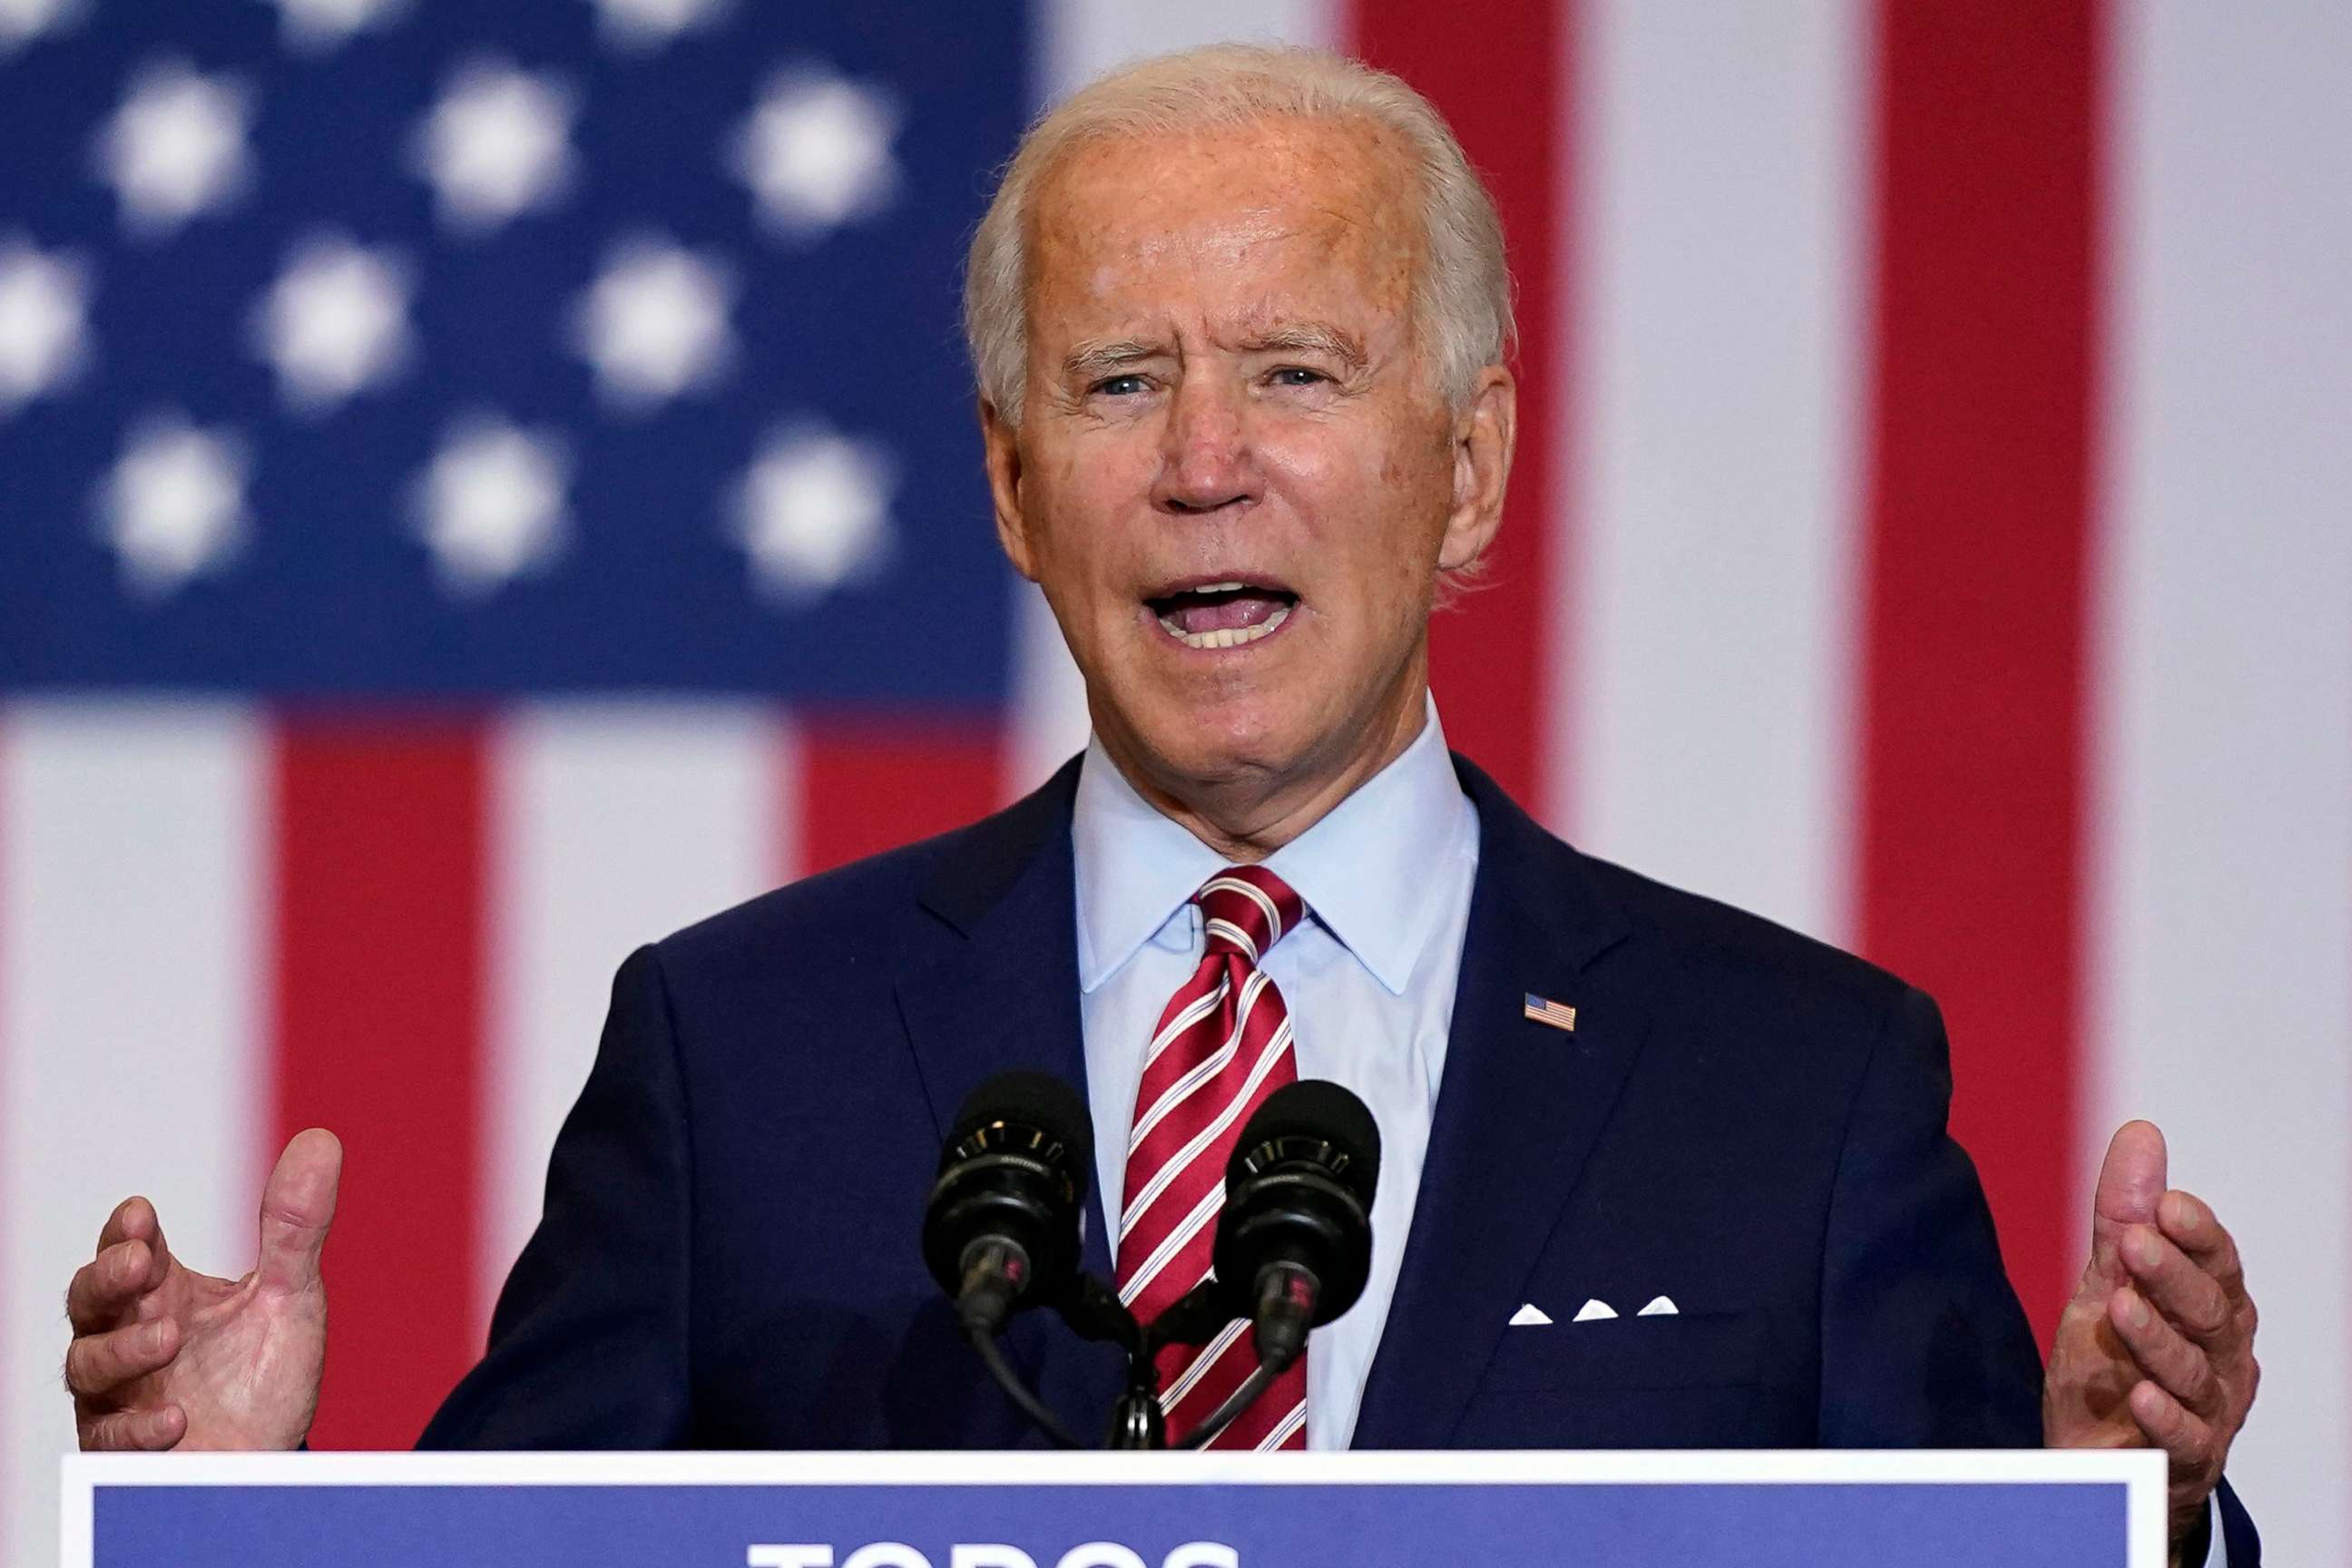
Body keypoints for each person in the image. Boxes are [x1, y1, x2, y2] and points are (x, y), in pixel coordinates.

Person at [61, 42, 2259, 1563]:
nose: (1208, 459)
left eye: (1298, 372)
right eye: (1122, 384)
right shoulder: (748, 1059)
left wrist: (2111, 1525)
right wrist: (234, 1525)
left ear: (1468, 462)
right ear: (1021, 489)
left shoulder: (1796, 1087)